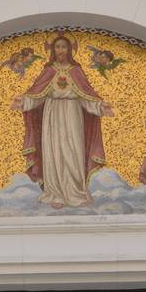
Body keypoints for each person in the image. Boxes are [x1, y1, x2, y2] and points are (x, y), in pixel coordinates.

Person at [11, 32, 114, 209]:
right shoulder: (48, 71)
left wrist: (100, 106)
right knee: (54, 151)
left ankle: (76, 192)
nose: (61, 50)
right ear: (52, 49)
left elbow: (86, 96)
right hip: (52, 114)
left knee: (73, 150)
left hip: (73, 113)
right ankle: (55, 193)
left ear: (70, 49)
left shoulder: (76, 71)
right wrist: (23, 102)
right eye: (57, 47)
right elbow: (37, 95)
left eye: (64, 47)